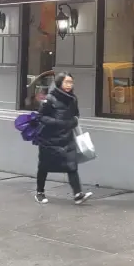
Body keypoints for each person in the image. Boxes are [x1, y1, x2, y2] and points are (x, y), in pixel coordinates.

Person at [35, 72, 92, 205]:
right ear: (59, 83)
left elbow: (76, 115)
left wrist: (73, 121)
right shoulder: (50, 98)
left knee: (72, 166)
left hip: (67, 138)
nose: (69, 85)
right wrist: (57, 123)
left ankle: (78, 194)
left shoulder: (73, 98)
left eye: (71, 82)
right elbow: (41, 117)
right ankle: (40, 192)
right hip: (49, 139)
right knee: (44, 165)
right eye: (66, 82)